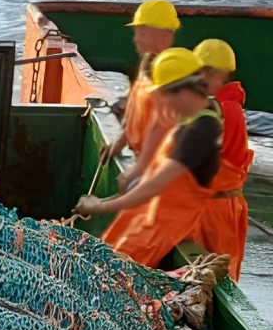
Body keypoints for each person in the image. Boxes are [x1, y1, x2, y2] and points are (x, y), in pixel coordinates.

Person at [76, 47, 221, 269]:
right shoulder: (188, 120)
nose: (162, 104)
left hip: (165, 226)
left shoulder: (200, 131)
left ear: (182, 90)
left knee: (116, 270)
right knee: (106, 257)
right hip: (149, 216)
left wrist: (100, 207)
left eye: (163, 95)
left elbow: (156, 185)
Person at [192, 37, 252, 278]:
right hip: (221, 205)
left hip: (215, 209)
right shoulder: (227, 106)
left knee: (214, 277)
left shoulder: (223, 111)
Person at [107, 0, 182, 190]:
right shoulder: (146, 68)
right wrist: (118, 144)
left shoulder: (175, 75)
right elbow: (135, 115)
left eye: (141, 32)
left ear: (163, 36)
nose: (135, 39)